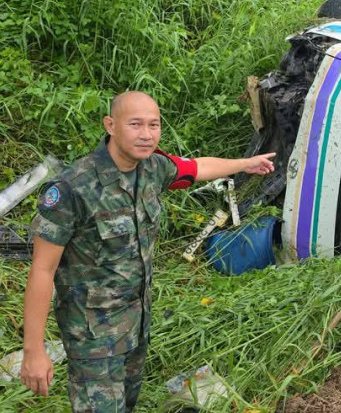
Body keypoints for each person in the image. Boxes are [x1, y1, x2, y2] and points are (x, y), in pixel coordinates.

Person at [20, 91, 276, 412]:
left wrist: (246, 164)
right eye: (135, 124)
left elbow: (196, 167)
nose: (146, 134)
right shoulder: (73, 188)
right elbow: (42, 270)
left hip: (136, 326)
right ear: (111, 125)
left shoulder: (152, 168)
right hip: (92, 338)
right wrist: (34, 350)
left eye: (154, 125)